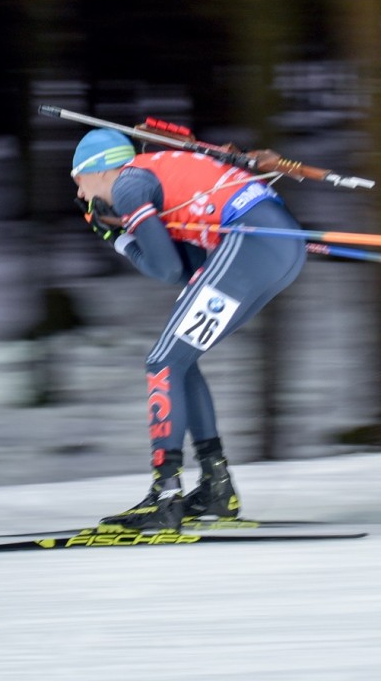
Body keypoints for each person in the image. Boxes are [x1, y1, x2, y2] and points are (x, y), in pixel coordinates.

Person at [71, 125, 306, 531]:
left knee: (162, 361)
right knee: (180, 360)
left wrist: (119, 240)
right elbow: (186, 270)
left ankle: (165, 496)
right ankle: (216, 486)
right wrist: (122, 235)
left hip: (252, 242)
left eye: (78, 181)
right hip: (271, 248)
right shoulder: (150, 177)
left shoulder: (128, 185)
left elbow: (163, 267)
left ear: (98, 171)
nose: (80, 195)